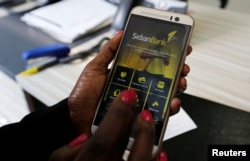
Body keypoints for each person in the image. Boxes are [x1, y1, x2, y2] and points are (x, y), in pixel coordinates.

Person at [0, 31, 192, 161]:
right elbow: (143, 57)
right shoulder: (146, 51)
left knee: (152, 99)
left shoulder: (161, 51)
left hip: (156, 78)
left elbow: (11, 144)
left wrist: (70, 116)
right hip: (141, 75)